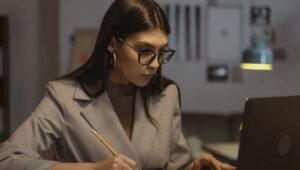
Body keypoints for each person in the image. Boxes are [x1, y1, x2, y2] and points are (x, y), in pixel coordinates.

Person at [0, 0, 236, 169]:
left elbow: (175, 165)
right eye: (145, 51)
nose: (155, 64)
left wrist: (194, 167)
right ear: (113, 44)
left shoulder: (166, 94)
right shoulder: (63, 96)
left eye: (161, 52)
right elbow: (7, 159)